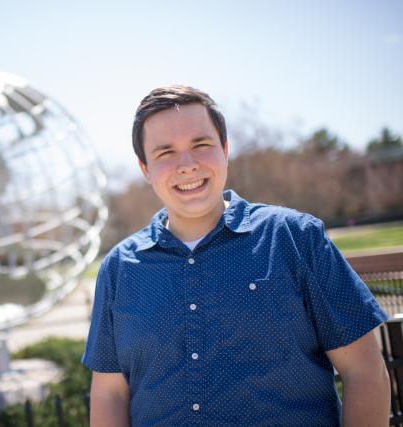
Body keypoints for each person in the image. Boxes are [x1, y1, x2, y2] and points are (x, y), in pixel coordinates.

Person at [82, 85, 390, 426]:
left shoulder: (295, 239)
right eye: (165, 153)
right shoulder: (119, 269)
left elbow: (364, 370)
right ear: (145, 168)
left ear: (225, 149)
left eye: (201, 145)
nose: (187, 165)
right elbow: (110, 392)